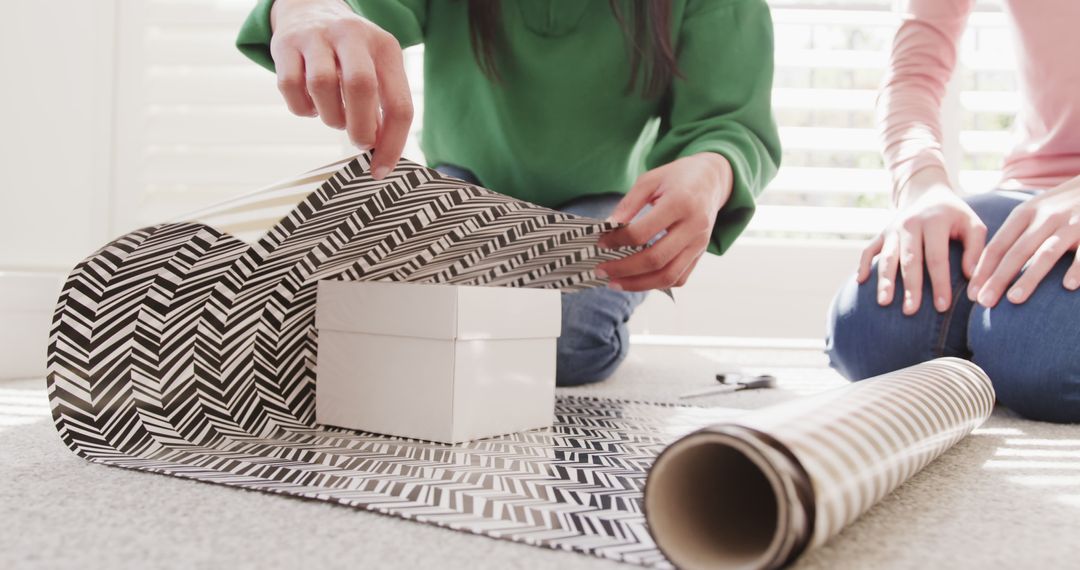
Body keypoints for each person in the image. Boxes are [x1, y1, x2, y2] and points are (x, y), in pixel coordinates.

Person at [237, 0, 781, 386]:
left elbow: (728, 120)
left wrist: (711, 171)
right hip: (465, 182)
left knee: (567, 345)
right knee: (382, 315)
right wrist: (306, 9)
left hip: (607, 207)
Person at [827, 0, 1080, 423]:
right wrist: (921, 183)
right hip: (1031, 194)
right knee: (869, 335)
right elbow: (911, 75)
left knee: (1044, 366)